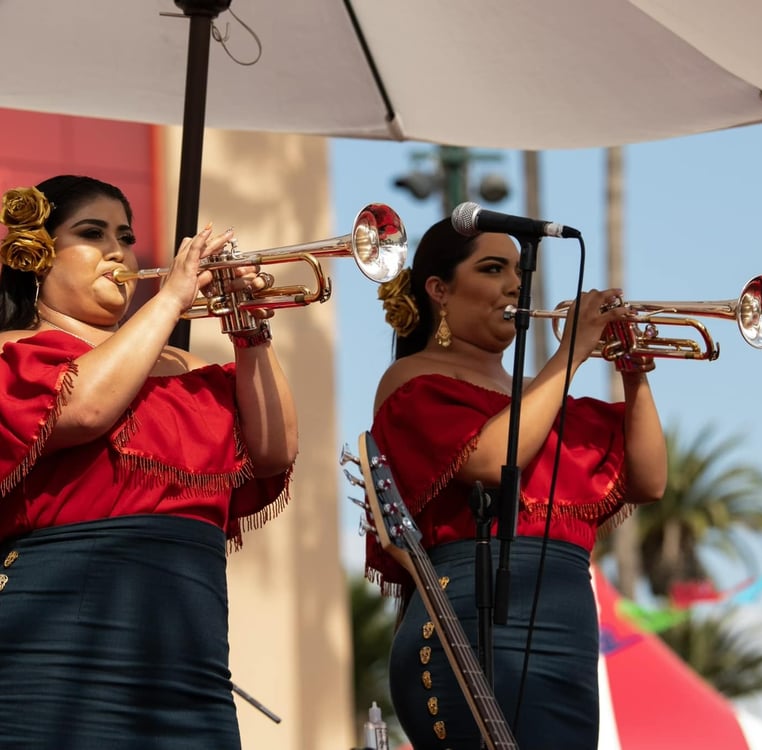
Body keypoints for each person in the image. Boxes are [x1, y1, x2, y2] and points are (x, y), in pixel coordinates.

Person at [0, 175, 298, 749]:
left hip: (192, 666)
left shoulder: (187, 367)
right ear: (37, 255)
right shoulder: (15, 349)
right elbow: (84, 408)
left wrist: (250, 326)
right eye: (93, 233)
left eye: (126, 236)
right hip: (54, 653)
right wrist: (171, 300)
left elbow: (272, 452)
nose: (117, 251)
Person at [365, 218, 667, 750]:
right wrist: (570, 355)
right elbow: (491, 459)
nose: (514, 285)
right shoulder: (414, 379)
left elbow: (649, 479)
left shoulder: (543, 396)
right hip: (468, 622)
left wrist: (634, 372)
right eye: (492, 269)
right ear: (439, 290)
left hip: (569, 634)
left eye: (519, 271)